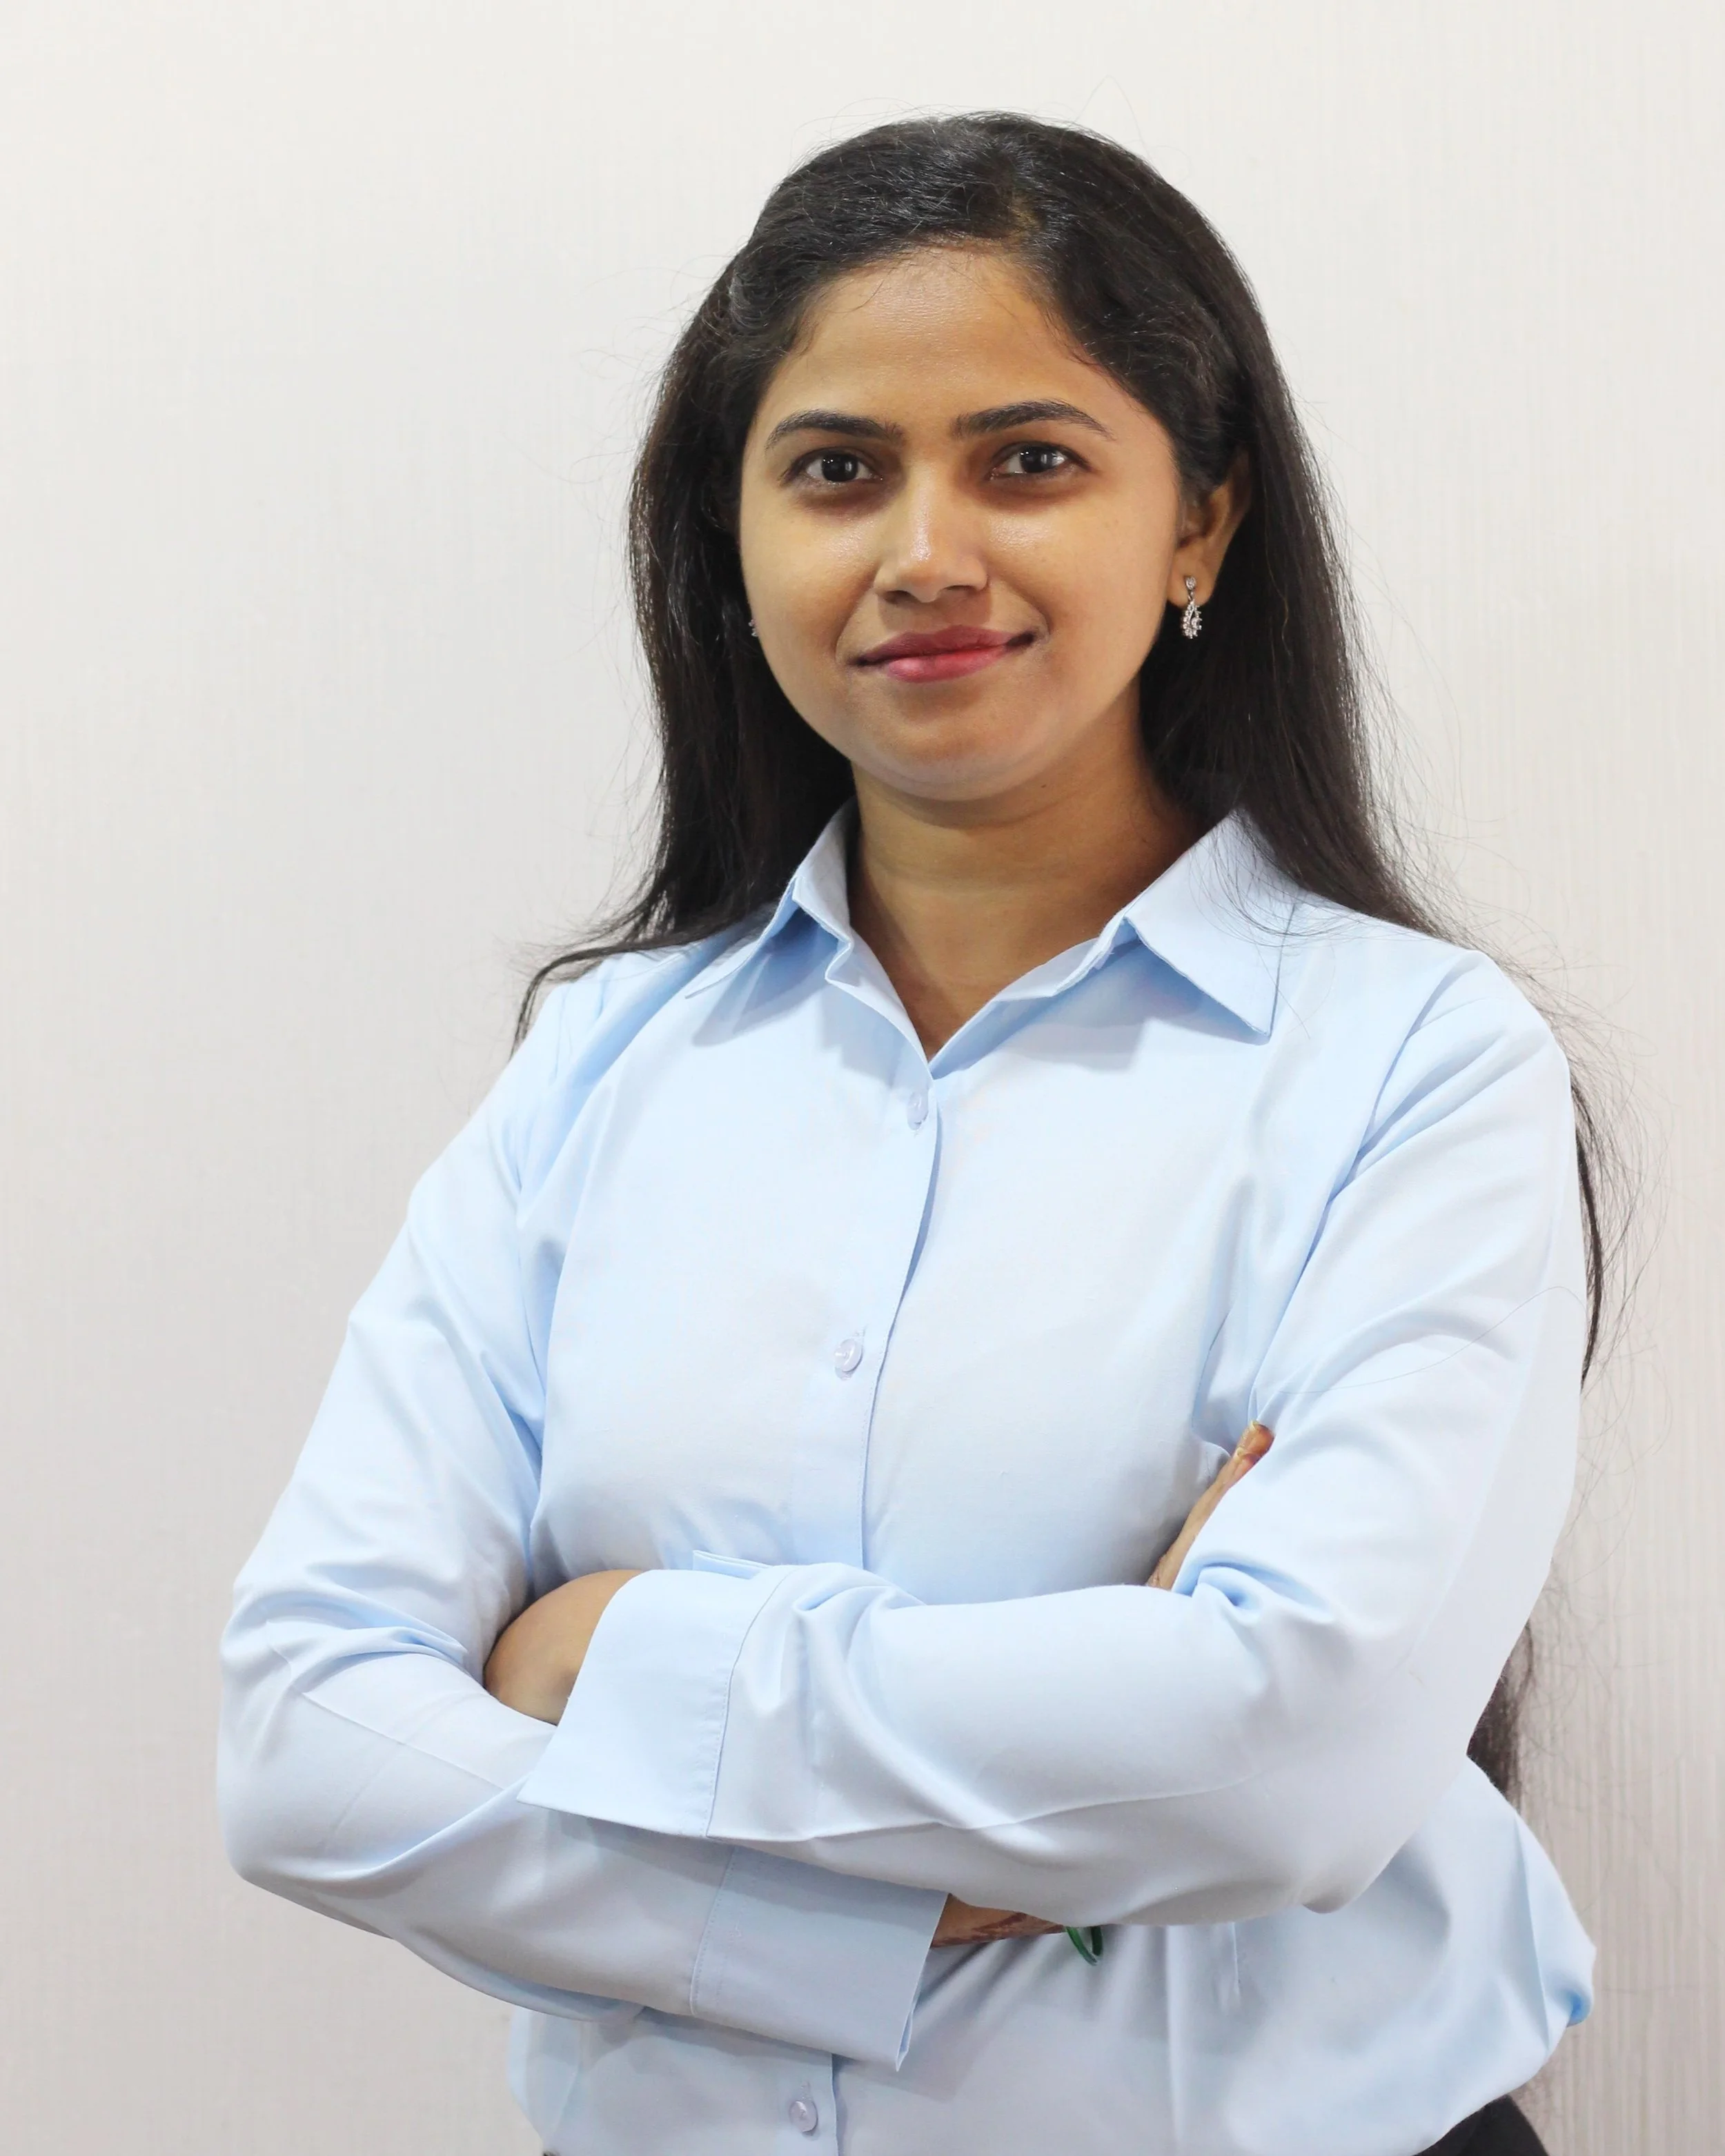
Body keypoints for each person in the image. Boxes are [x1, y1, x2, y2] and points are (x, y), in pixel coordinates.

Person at [219, 115, 1602, 2156]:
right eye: (836, 469)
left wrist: (609, 1655)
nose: (923, 549)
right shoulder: (599, 1070)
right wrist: (940, 1881)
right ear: (739, 540)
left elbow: (1283, 1758)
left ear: (1199, 524)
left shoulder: (1415, 1063)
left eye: (1030, 459)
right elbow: (305, 1746)